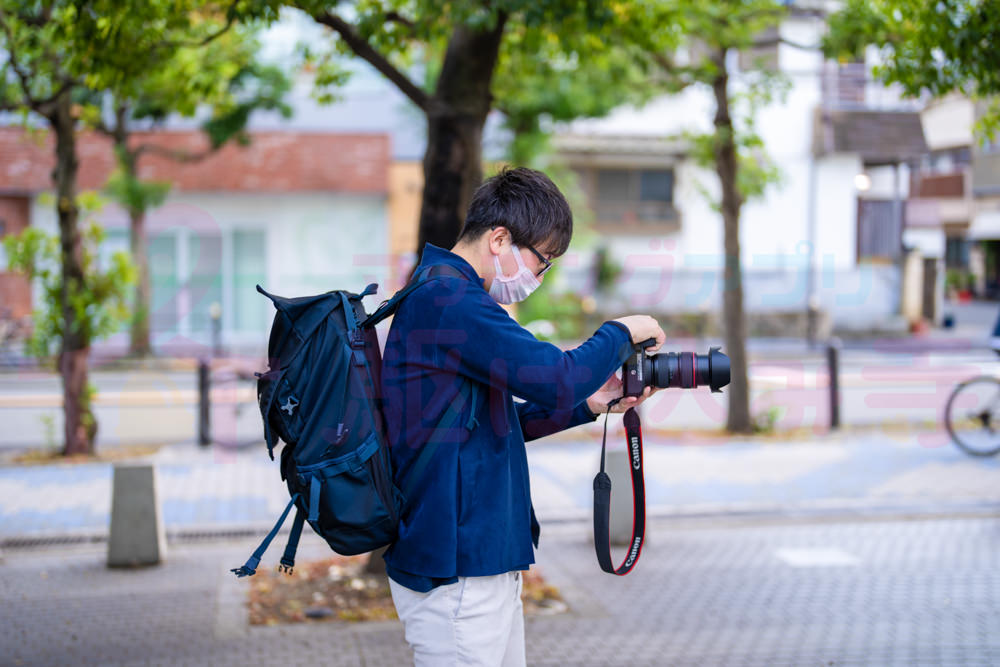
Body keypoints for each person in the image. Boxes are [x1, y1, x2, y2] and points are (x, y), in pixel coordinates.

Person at [381, 166, 665, 666]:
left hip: (478, 564)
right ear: (499, 238)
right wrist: (621, 332)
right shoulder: (450, 299)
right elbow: (554, 376)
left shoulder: (446, 294)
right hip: (458, 573)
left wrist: (588, 403)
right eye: (543, 261)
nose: (539, 275)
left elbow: (494, 421)